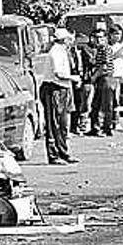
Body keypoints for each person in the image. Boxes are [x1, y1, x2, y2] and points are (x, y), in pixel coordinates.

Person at [40, 28, 80, 164]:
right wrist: (74, 78)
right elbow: (58, 73)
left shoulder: (63, 51)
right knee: (54, 124)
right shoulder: (56, 52)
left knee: (63, 124)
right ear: (64, 40)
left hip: (63, 89)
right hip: (54, 89)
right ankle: (53, 155)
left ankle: (63, 152)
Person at [86, 26, 116, 137]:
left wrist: (94, 77)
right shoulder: (99, 49)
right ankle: (96, 127)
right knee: (96, 105)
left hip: (106, 78)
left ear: (106, 38)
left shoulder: (106, 49)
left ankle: (106, 128)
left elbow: (104, 66)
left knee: (106, 105)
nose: (99, 40)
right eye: (97, 38)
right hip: (101, 79)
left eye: (101, 38)